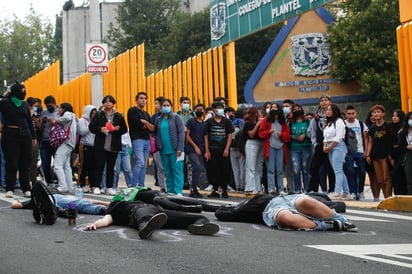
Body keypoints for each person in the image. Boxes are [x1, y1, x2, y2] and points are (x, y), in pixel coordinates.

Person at [215, 193, 357, 232]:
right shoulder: (239, 211)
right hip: (270, 209)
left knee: (306, 202)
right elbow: (220, 214)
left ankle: (342, 220)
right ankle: (328, 225)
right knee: (285, 218)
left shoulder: (255, 197)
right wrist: (228, 208)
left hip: (284, 198)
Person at [84, 200, 220, 239]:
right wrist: (95, 224)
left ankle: (199, 226)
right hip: (140, 213)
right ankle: (145, 228)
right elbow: (106, 219)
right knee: (144, 216)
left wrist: (97, 202)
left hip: (158, 212)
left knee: (199, 217)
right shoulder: (117, 210)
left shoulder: (117, 207)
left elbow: (108, 207)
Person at [0, 81, 36, 198]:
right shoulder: (5, 103)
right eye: (22, 91)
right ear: (15, 92)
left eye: (25, 91)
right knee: (12, 162)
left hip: (25, 135)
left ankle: (26, 188)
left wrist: (34, 136)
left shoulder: (25, 104)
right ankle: (9, 188)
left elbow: (29, 121)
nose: (24, 93)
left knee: (25, 163)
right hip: (10, 135)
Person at [89, 95, 128, 195]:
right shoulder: (99, 115)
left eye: (110, 101)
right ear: (103, 103)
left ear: (113, 103)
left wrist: (118, 128)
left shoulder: (119, 116)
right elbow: (91, 127)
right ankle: (97, 186)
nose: (108, 103)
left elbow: (124, 129)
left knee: (111, 168)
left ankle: (109, 187)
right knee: (99, 166)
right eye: (106, 101)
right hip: (101, 145)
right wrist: (100, 129)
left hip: (113, 145)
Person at [154, 98, 185, 195]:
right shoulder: (159, 119)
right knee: (167, 171)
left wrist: (180, 147)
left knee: (177, 170)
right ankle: (170, 190)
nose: (166, 107)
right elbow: (156, 133)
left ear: (171, 106)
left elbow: (181, 133)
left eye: (168, 105)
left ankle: (178, 191)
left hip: (176, 150)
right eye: (164, 105)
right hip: (163, 150)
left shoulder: (176, 117)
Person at [258, 103, 290, 195]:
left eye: (275, 107)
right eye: (272, 107)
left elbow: (287, 136)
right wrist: (268, 132)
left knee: (279, 170)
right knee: (270, 169)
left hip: (280, 147)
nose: (273, 109)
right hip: (270, 147)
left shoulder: (282, 121)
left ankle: (280, 189)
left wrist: (282, 135)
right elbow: (261, 133)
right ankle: (271, 188)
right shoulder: (266, 120)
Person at [205, 101, 234, 198]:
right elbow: (206, 136)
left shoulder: (227, 122)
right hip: (212, 150)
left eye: (221, 107)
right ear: (214, 110)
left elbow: (230, 135)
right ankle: (215, 189)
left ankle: (224, 189)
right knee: (213, 170)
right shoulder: (209, 122)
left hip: (223, 150)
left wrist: (227, 149)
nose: (220, 110)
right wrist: (207, 150)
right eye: (218, 108)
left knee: (225, 170)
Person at [365, 104, 394, 200]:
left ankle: (389, 198)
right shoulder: (372, 128)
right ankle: (386, 198)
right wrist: (368, 154)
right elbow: (370, 142)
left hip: (386, 155)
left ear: (383, 114)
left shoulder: (388, 125)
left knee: (387, 179)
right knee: (380, 179)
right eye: (374, 112)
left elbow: (392, 141)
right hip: (375, 156)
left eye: (378, 112)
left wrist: (391, 154)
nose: (376, 114)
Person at [308, 94, 335, 193]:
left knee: (331, 168)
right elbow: (312, 131)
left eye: (326, 100)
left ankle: (332, 190)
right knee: (314, 168)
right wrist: (315, 144)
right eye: (322, 100)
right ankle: (312, 189)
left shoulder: (334, 116)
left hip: (332, 145)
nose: (324, 102)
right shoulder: (316, 117)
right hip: (320, 145)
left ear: (330, 102)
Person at [48, 103, 78, 193]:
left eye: (60, 108)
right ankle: (69, 187)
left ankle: (62, 186)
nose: (59, 110)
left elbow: (66, 118)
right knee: (66, 166)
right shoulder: (74, 117)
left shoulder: (68, 114)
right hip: (71, 143)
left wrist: (55, 120)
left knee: (57, 165)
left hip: (66, 142)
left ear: (65, 109)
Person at [323, 104, 350, 200]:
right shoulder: (329, 123)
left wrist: (330, 147)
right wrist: (325, 145)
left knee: (337, 170)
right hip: (329, 146)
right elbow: (326, 136)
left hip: (338, 146)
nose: (327, 111)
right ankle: (346, 192)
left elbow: (339, 137)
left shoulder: (339, 122)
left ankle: (337, 192)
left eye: (330, 110)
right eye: (326, 110)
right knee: (338, 170)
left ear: (335, 111)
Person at [127, 92, 154, 187]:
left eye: (145, 98)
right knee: (140, 162)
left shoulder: (146, 114)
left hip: (147, 140)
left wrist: (145, 122)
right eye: (141, 98)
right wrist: (146, 125)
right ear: (136, 100)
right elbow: (138, 125)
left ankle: (141, 185)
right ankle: (133, 184)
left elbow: (152, 128)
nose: (143, 100)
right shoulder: (132, 111)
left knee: (144, 165)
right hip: (137, 139)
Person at [11, 191, 106, 216]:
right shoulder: (37, 199)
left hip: (57, 198)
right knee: (80, 203)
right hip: (57, 198)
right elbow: (15, 205)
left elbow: (15, 205)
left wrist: (16, 200)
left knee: (80, 203)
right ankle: (103, 210)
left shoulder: (36, 199)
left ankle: (61, 211)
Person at [344, 105, 368, 200]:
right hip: (348, 152)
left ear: (356, 113)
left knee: (362, 171)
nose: (351, 115)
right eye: (349, 114)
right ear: (346, 114)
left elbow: (366, 137)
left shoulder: (361, 124)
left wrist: (366, 151)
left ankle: (360, 191)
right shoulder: (343, 124)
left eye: (352, 113)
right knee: (350, 172)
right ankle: (352, 192)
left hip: (360, 151)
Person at [185, 103, 208, 198]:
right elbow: (187, 136)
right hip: (191, 149)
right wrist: (195, 146)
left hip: (201, 149)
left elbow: (206, 137)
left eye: (201, 109)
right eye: (197, 109)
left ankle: (195, 188)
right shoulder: (191, 121)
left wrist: (207, 151)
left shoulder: (204, 124)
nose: (199, 111)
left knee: (200, 169)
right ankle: (193, 188)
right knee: (196, 167)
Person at [288, 104, 312, 193]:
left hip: (306, 147)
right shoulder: (290, 123)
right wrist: (295, 137)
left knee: (306, 169)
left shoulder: (308, 121)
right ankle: (297, 189)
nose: (297, 110)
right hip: (294, 148)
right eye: (295, 109)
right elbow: (288, 134)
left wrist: (304, 135)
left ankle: (307, 189)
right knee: (296, 169)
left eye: (298, 108)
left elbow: (311, 132)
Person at [39, 95, 59, 186]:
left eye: (51, 105)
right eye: (47, 106)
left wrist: (53, 121)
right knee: (45, 162)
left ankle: (58, 180)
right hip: (45, 139)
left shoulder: (60, 112)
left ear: (55, 104)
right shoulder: (44, 112)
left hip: (56, 140)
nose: (49, 107)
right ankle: (49, 181)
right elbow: (40, 127)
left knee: (58, 162)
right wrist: (42, 121)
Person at [243, 107, 264, 194]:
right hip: (251, 143)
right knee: (250, 166)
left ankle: (258, 187)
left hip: (260, 143)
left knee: (258, 166)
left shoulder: (259, 122)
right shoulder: (248, 124)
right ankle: (250, 187)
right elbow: (251, 134)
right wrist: (257, 125)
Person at [77, 105, 97, 193]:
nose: (93, 115)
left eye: (95, 114)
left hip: (94, 146)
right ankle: (82, 184)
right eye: (92, 113)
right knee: (84, 165)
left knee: (93, 167)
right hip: (85, 145)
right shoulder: (82, 120)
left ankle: (92, 184)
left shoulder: (95, 121)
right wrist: (91, 125)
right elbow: (82, 132)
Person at [392, 112, 412, 194]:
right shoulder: (402, 133)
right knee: (409, 180)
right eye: (410, 118)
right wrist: (407, 147)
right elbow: (398, 149)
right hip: (407, 156)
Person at [150, 96, 166, 192]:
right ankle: (162, 187)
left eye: (157, 103)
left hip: (169, 146)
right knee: (160, 167)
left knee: (170, 167)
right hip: (157, 145)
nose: (155, 105)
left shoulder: (172, 116)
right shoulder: (154, 117)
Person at [27, 97, 42, 185]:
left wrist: (36, 120)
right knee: (26, 161)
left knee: (34, 161)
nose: (36, 108)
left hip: (35, 140)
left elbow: (40, 127)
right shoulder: (24, 113)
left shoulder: (35, 114)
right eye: (34, 106)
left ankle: (33, 180)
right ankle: (25, 180)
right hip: (26, 139)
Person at [230, 108, 246, 192]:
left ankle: (237, 185)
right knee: (242, 167)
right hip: (241, 148)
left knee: (235, 168)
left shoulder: (232, 122)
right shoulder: (243, 122)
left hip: (232, 147)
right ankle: (242, 186)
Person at [282, 99, 295, 193]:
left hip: (294, 147)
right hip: (285, 147)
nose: (285, 108)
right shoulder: (283, 119)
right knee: (287, 169)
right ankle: (290, 187)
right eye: (284, 106)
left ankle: (295, 188)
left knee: (295, 170)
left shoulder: (295, 119)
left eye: (287, 106)